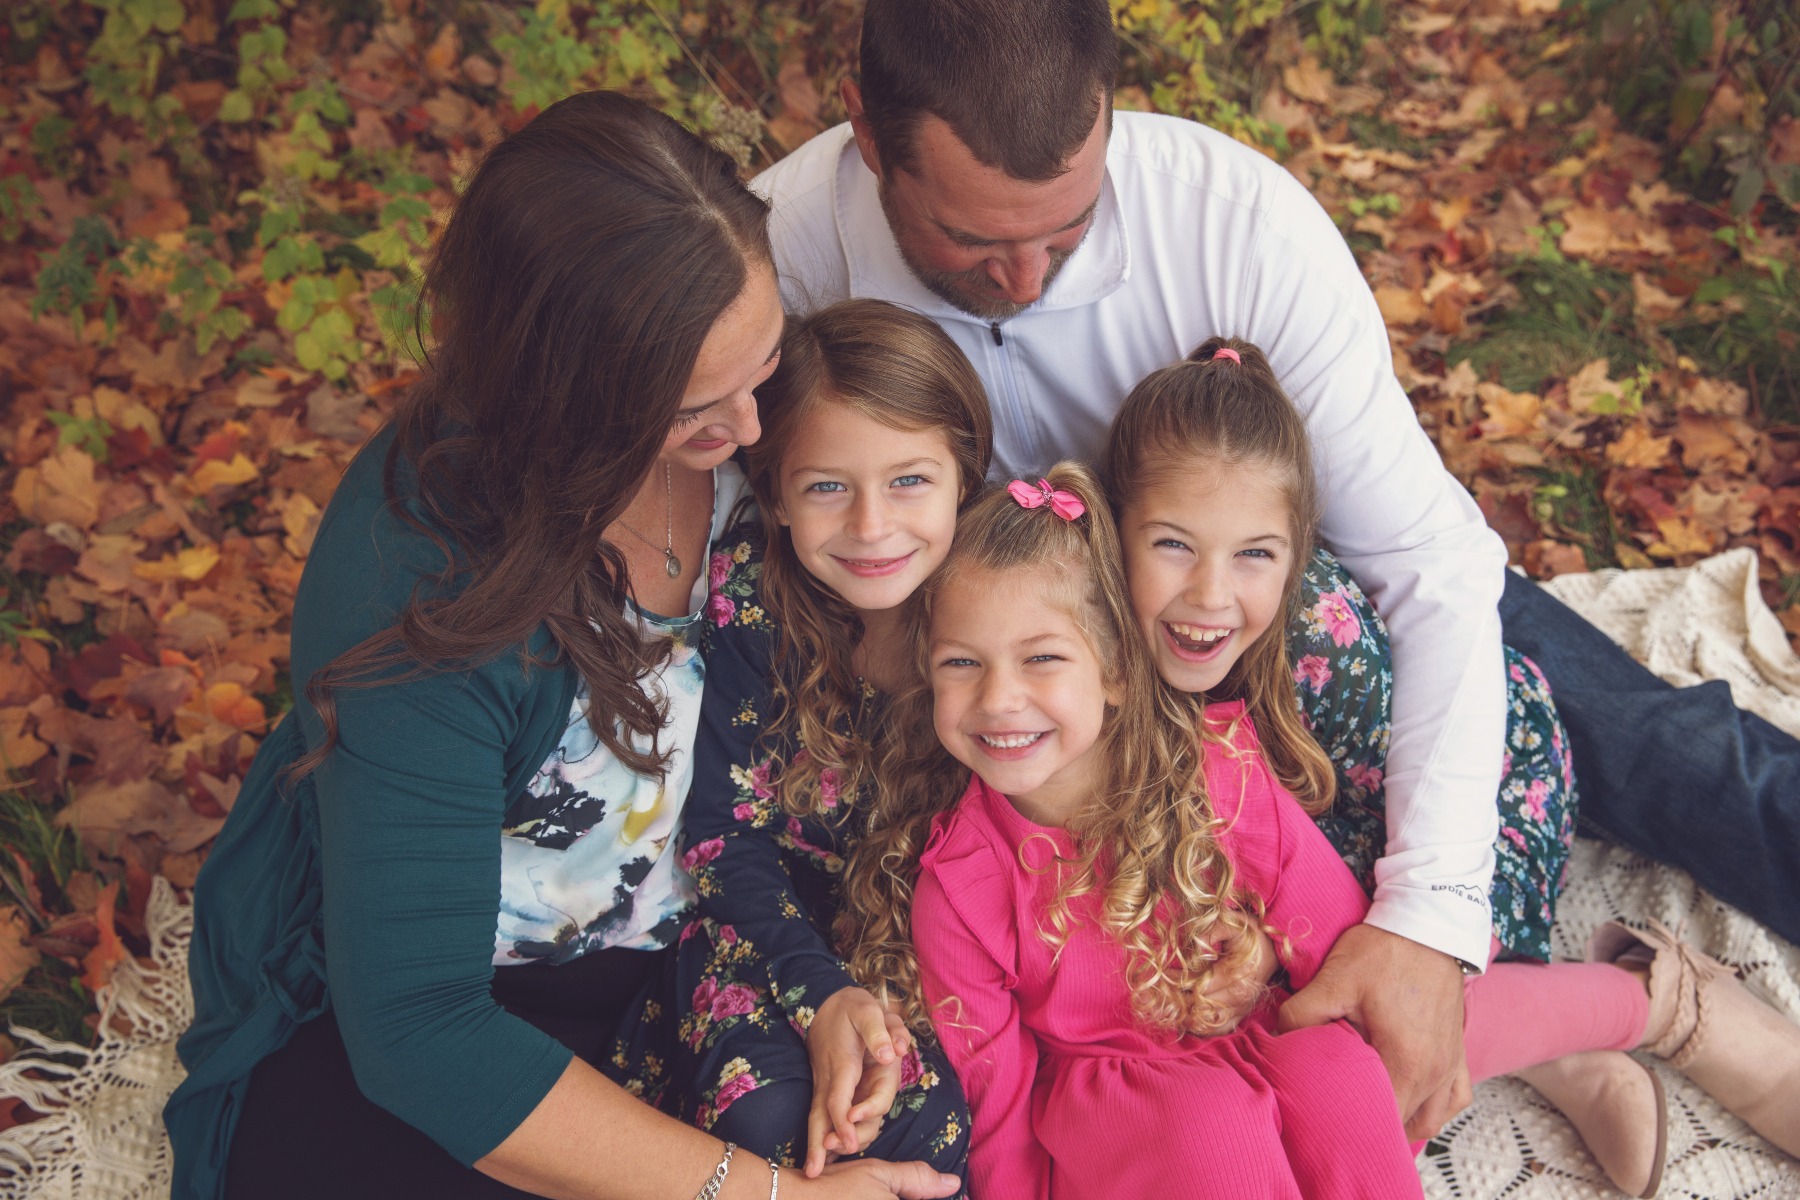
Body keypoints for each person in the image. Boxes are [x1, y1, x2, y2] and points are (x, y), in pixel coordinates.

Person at [751, 0, 1800, 1138]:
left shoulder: (1235, 225)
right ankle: (1535, 1020)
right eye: (972, 243)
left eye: (1068, 229)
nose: (1025, 274)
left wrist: (1426, 922)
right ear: (868, 135)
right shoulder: (780, 257)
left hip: (1273, 598)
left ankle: (1563, 1001)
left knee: (1637, 738)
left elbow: (1429, 563)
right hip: (1015, 651)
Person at [165, 93, 959, 1200]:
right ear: (563, 396)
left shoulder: (757, 421)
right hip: (480, 1015)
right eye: (692, 411)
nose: (751, 432)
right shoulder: (418, 580)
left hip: (706, 944)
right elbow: (419, 1029)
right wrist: (760, 1195)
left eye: (763, 366)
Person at [837, 449, 1800, 1199]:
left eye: (1042, 658)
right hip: (1123, 1100)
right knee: (1211, 1134)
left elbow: (1340, 947)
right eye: (961, 664)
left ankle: (1658, 999)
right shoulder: (960, 883)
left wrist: (1267, 961)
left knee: (1354, 1074)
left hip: (1270, 1029)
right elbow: (999, 1097)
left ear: (1118, 671)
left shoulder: (1217, 773)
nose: (999, 700)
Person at [673, 300, 985, 1178]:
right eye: (826, 487)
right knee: (776, 1116)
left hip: (939, 941)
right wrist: (822, 994)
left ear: (965, 476)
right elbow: (723, 835)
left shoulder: (1001, 598)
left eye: (910, 480)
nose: (872, 525)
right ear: (774, 493)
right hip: (770, 932)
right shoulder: (754, 599)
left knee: (927, 1123)